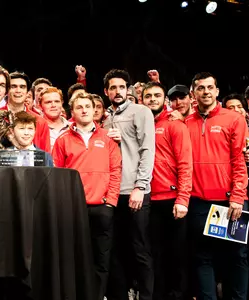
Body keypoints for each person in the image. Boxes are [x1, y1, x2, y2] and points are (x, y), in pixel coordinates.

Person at [52, 92, 122, 300]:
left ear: (94, 111)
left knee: (101, 259)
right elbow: (56, 175)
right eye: (79, 107)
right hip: (73, 209)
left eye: (87, 107)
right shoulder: (63, 140)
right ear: (72, 112)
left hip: (102, 208)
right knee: (74, 258)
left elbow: (116, 171)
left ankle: (97, 296)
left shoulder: (107, 139)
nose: (84, 110)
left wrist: (110, 203)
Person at [185, 72, 248, 300]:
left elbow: (238, 161)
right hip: (199, 202)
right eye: (201, 88)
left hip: (230, 200)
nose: (206, 92)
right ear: (194, 93)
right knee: (203, 257)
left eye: (210, 87)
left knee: (237, 256)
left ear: (217, 91)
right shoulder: (184, 123)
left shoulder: (234, 119)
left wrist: (238, 197)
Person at [103, 69, 156, 300]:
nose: (117, 91)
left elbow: (147, 150)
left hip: (135, 192)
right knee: (117, 250)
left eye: (122, 87)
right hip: (114, 194)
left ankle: (145, 297)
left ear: (129, 89)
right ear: (106, 92)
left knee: (140, 250)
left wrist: (140, 187)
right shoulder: (105, 120)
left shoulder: (141, 112)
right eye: (113, 88)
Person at [142, 81, 193, 300]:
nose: (152, 99)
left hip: (172, 199)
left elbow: (185, 163)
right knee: (155, 254)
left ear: (164, 100)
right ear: (141, 100)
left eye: (157, 95)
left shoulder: (175, 124)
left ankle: (178, 296)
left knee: (177, 255)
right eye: (148, 96)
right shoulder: (140, 123)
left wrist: (182, 199)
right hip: (148, 199)